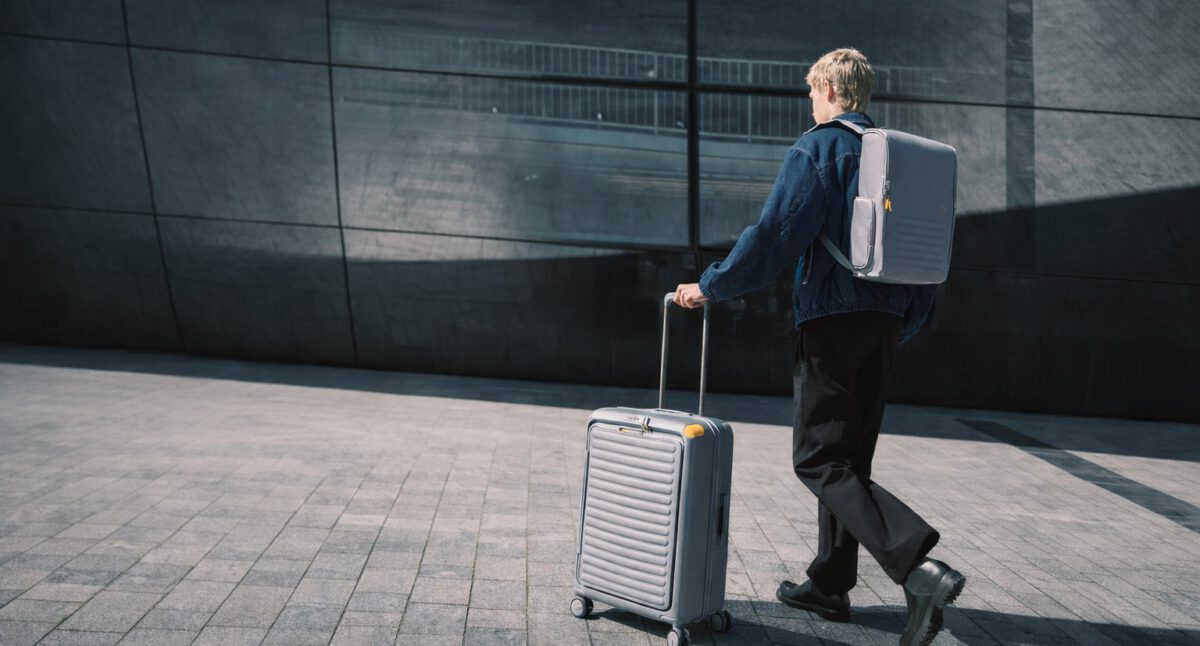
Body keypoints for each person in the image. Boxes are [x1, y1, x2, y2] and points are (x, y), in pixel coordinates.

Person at [672, 48, 964, 646]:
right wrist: (902, 324)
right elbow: (927, 247)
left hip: (832, 322)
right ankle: (829, 585)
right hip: (886, 324)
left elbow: (775, 235)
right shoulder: (899, 156)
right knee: (849, 460)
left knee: (817, 459)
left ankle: (918, 565)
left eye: (812, 90)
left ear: (830, 88)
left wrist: (711, 286)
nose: (810, 101)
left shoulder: (820, 148)